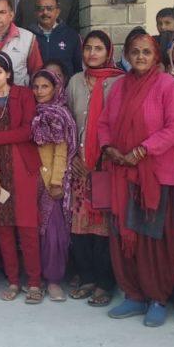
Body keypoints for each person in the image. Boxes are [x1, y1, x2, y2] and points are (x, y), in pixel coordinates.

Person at [98, 30, 174, 328]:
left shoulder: (166, 85)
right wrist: (108, 147)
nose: (140, 57)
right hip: (120, 171)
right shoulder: (119, 86)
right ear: (126, 55)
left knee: (152, 237)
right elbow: (104, 123)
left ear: (156, 56)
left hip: (155, 173)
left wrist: (141, 151)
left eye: (146, 52)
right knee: (122, 233)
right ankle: (133, 295)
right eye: (134, 51)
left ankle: (157, 298)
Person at [0, 52, 42, 303]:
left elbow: (27, 131)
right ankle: (13, 281)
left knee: (27, 227)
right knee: (3, 229)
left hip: (22, 168)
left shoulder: (24, 95)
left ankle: (34, 283)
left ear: (9, 74)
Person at [66, 30, 123, 308]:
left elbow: (120, 124)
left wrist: (102, 156)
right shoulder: (75, 81)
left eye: (98, 48)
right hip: (79, 165)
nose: (92, 53)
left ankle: (104, 283)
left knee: (103, 228)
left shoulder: (119, 82)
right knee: (79, 226)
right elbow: (68, 121)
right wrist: (73, 156)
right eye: (88, 48)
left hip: (106, 164)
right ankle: (87, 277)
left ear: (108, 51)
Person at [30, 69, 77, 303]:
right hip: (31, 180)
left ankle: (54, 280)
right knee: (34, 231)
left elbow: (62, 151)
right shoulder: (31, 112)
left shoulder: (60, 115)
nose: (39, 91)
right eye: (36, 87)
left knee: (53, 233)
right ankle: (34, 278)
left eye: (45, 87)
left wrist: (57, 181)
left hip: (52, 182)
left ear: (56, 88)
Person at [32, 0, 82, 79]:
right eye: (41, 9)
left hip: (66, 86)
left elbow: (78, 68)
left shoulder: (71, 35)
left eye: (49, 8)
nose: (45, 12)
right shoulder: (27, 35)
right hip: (36, 86)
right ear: (36, 12)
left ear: (57, 12)